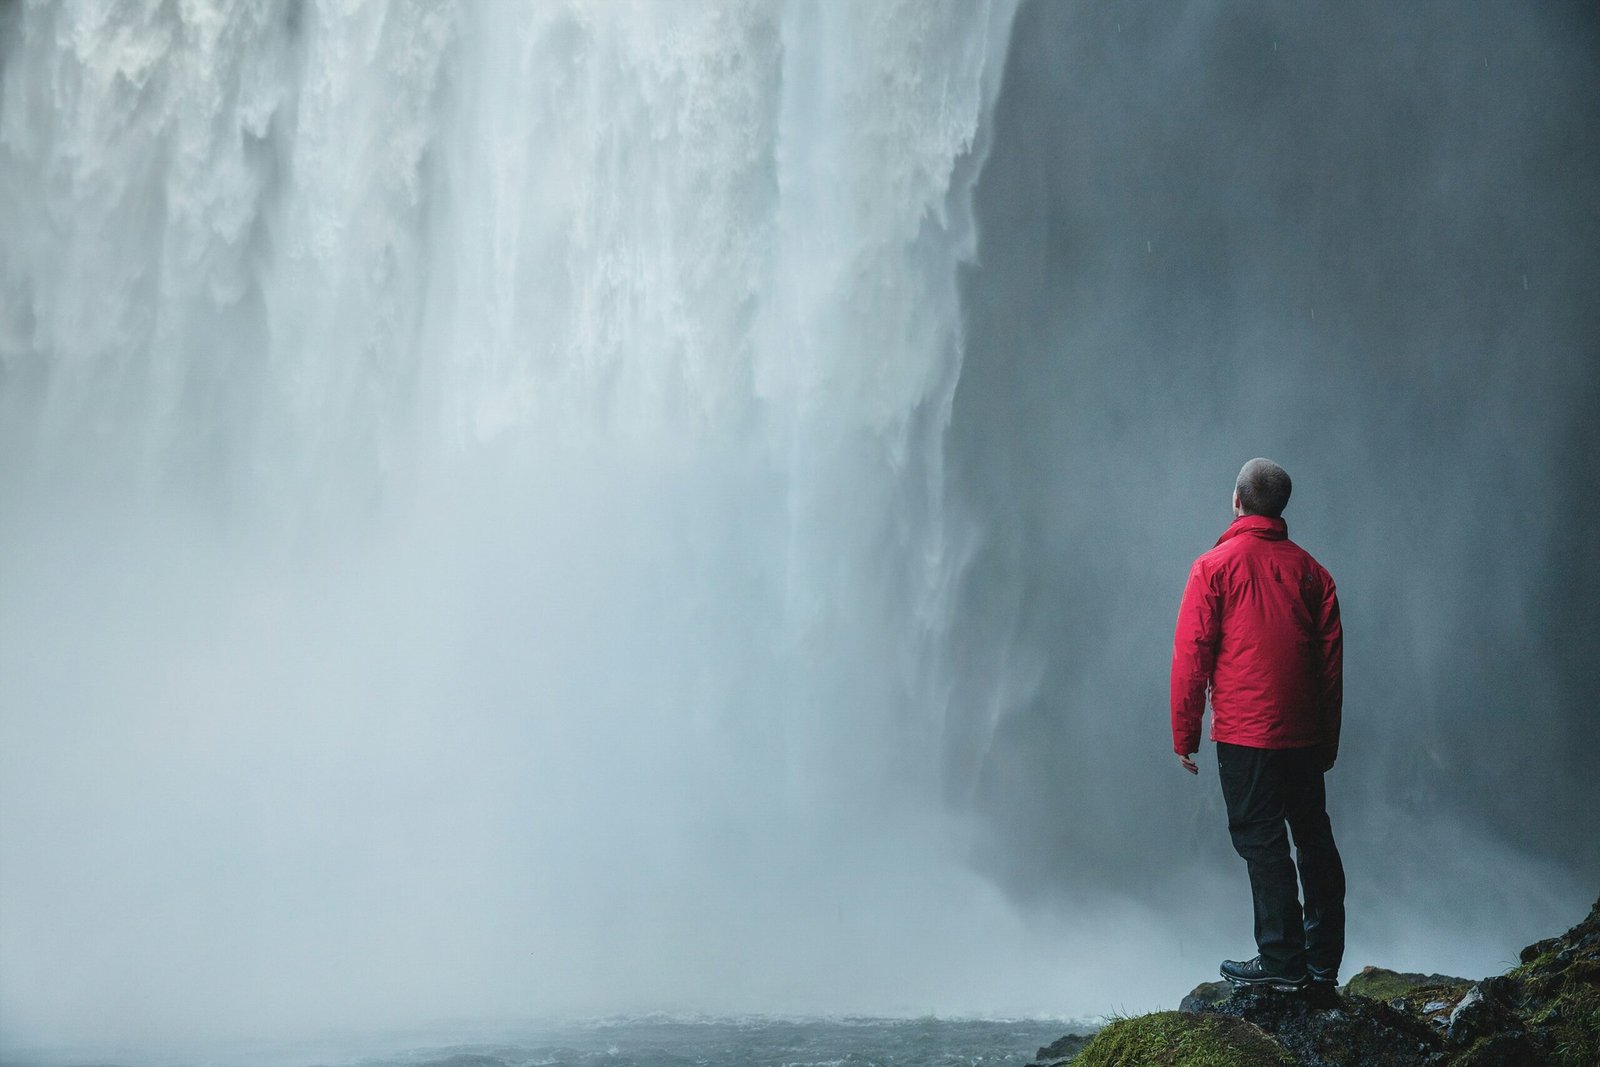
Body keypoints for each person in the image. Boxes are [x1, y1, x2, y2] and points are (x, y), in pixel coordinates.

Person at [1170, 458, 1346, 992]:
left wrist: (1185, 734)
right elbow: (1330, 667)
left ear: (1237, 501)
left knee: (1261, 840)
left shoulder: (1213, 567)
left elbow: (1191, 655)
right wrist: (1327, 741)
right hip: (1302, 733)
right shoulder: (1314, 573)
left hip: (1245, 734)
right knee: (1312, 836)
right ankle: (1322, 962)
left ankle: (1280, 960)